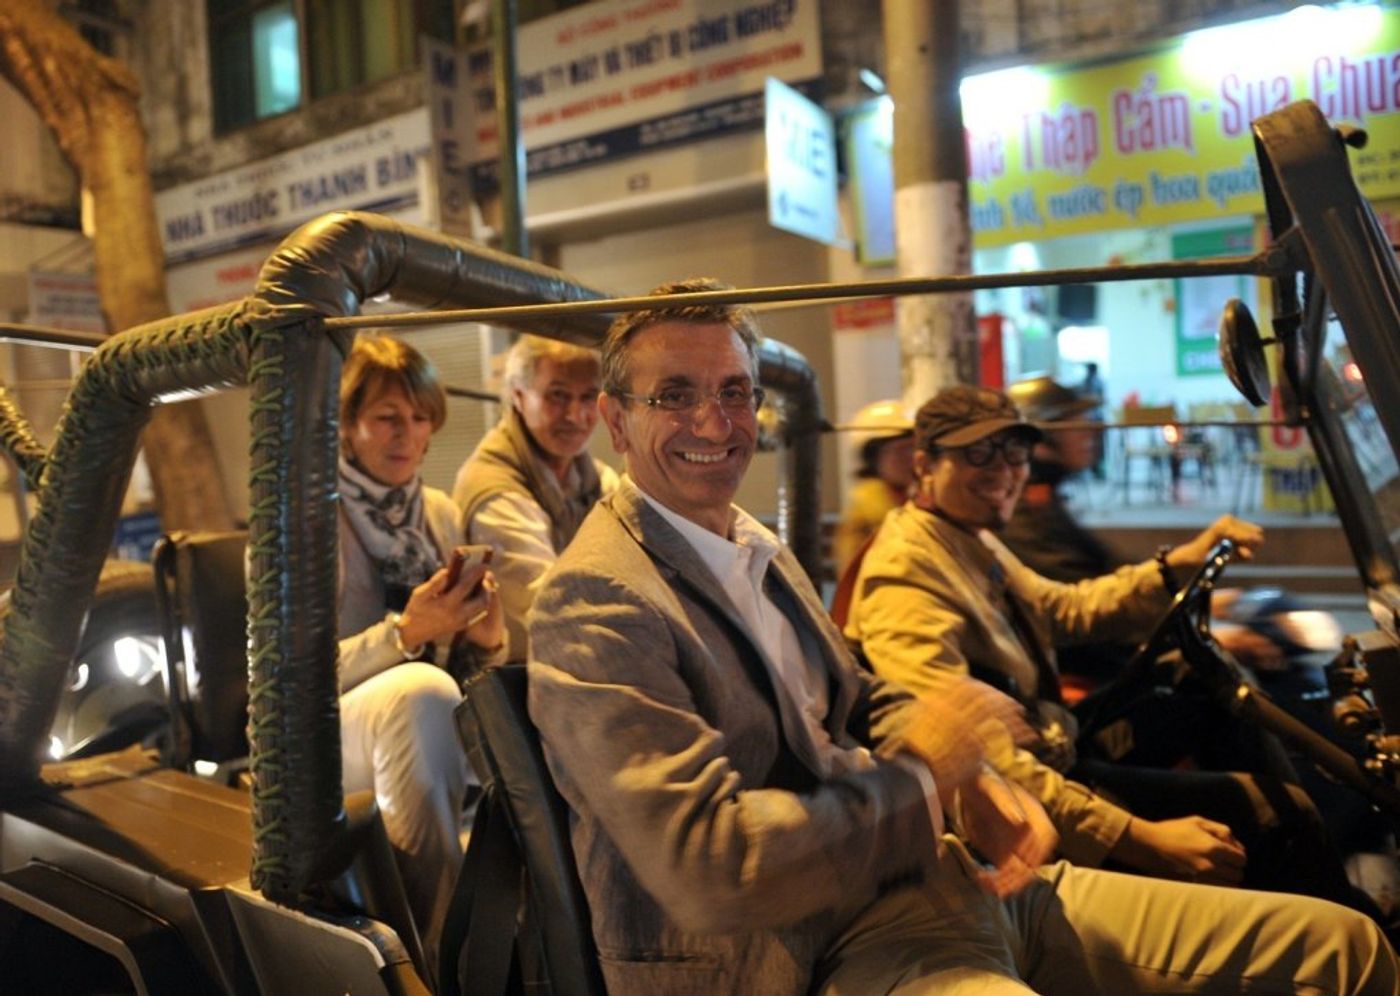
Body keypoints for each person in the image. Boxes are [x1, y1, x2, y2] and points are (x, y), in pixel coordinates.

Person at [526, 282, 1398, 994]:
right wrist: (924, 777)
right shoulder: (598, 601)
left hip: (944, 876)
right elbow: (709, 867)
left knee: (1345, 949)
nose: (714, 424)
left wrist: (969, 775)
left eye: (733, 392)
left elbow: (866, 695)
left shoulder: (752, 543)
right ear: (615, 418)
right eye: (674, 396)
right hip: (808, 946)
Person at [845, 383, 1368, 911]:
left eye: (1015, 452)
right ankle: (1350, 933)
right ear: (923, 465)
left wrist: (1179, 563)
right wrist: (1139, 837)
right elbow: (974, 763)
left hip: (1056, 743)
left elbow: (1064, 609)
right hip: (1033, 797)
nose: (1003, 471)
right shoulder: (905, 575)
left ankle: (1301, 874)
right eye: (978, 453)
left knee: (1193, 682)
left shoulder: (969, 537)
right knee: (1279, 812)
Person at [337, 335, 506, 966]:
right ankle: (441, 949)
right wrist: (404, 635)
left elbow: (462, 664)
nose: (406, 434)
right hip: (321, 738)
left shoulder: (437, 510)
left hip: (418, 722)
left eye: (418, 417)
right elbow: (282, 686)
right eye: (386, 418)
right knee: (421, 692)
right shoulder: (303, 517)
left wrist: (487, 640)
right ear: (349, 426)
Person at [454, 335, 618, 661]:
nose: (575, 415)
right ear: (518, 395)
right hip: (520, 684)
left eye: (588, 397)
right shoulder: (495, 492)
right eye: (557, 396)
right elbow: (552, 608)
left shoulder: (599, 479)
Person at [832, 399, 915, 578]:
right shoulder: (865, 519)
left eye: (915, 448)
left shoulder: (912, 501)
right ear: (874, 458)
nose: (913, 458)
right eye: (902, 450)